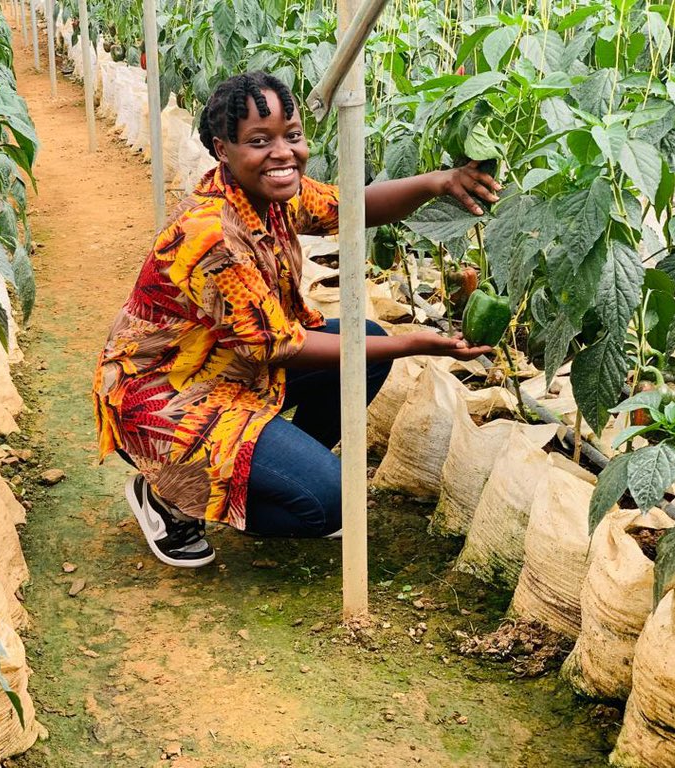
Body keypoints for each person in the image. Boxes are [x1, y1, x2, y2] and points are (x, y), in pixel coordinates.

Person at [92, 71, 499, 568]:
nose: (283, 153)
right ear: (223, 149)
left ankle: (280, 469)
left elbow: (355, 206)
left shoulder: (272, 194)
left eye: (293, 135)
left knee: (364, 343)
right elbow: (279, 346)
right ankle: (171, 498)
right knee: (331, 504)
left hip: (231, 374)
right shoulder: (212, 236)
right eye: (259, 141)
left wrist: (440, 182)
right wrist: (412, 343)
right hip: (167, 398)